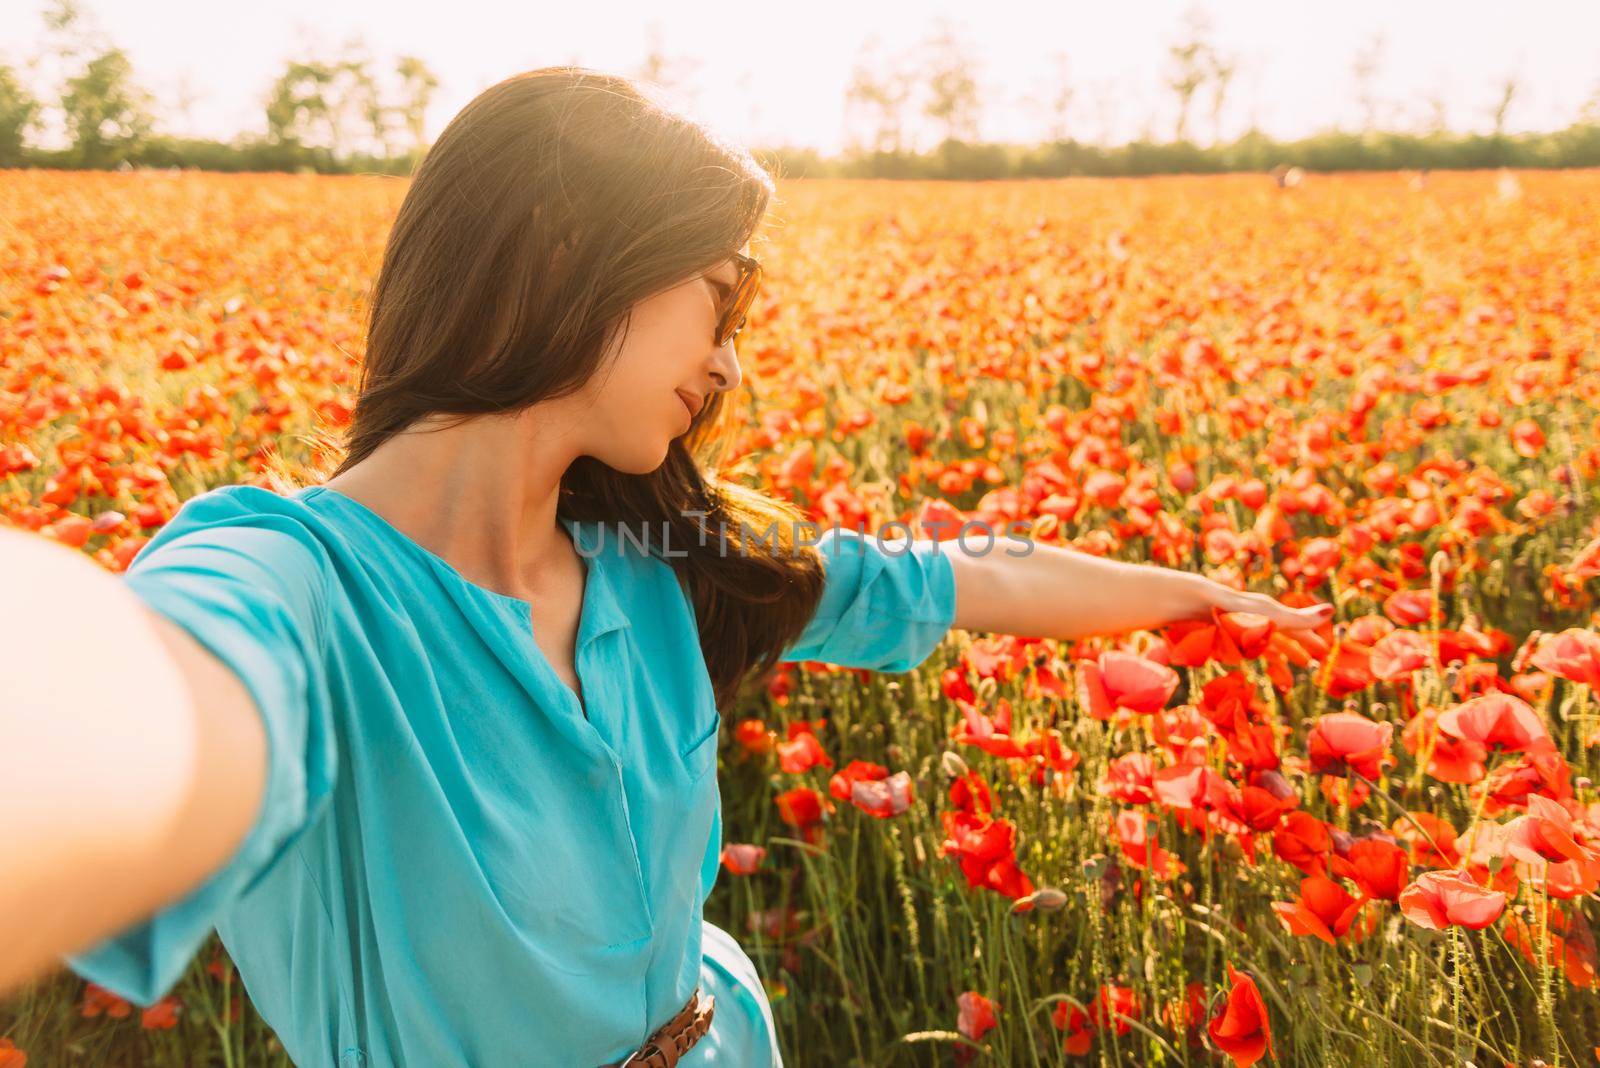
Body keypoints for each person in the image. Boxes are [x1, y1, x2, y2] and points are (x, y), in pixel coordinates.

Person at [0, 67, 1333, 1067]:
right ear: (581, 258)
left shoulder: (661, 556)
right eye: (721, 295)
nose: (732, 359)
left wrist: (1196, 604)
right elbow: (159, 694)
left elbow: (954, 577)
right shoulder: (294, 584)